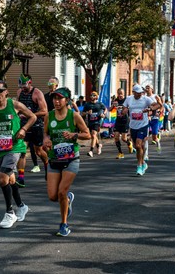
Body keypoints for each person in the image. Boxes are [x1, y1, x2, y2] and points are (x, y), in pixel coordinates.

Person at [0, 80, 35, 228]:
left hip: (15, 147)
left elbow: (33, 117)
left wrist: (23, 129)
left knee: (2, 179)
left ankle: (9, 213)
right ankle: (21, 206)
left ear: (6, 92)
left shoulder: (15, 105)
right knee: (10, 180)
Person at [43, 87, 90, 236]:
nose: (56, 101)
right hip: (54, 158)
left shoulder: (74, 116)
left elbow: (87, 134)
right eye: (54, 99)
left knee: (62, 191)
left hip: (71, 159)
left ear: (67, 100)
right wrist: (46, 140)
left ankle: (64, 224)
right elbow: (45, 134)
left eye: (60, 99)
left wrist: (73, 135)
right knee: (53, 196)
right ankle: (68, 199)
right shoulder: (49, 116)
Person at [16, 74, 49, 187]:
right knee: (22, 152)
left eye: (24, 85)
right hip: (23, 126)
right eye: (21, 85)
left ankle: (47, 164)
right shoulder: (19, 92)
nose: (22, 88)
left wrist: (30, 115)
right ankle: (21, 178)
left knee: (38, 151)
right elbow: (17, 107)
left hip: (36, 125)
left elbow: (44, 111)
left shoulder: (37, 93)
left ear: (30, 82)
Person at [122, 84, 155, 176]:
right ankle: (143, 162)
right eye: (138, 93)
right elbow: (124, 107)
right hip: (133, 125)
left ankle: (139, 166)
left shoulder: (146, 99)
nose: (140, 94)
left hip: (143, 125)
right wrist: (124, 110)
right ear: (134, 92)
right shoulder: (129, 99)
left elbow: (155, 105)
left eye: (141, 93)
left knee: (138, 144)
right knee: (137, 147)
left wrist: (150, 109)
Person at [82, 91, 107, 157]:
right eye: (91, 95)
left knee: (93, 134)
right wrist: (87, 112)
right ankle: (98, 145)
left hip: (97, 122)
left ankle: (91, 151)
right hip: (90, 122)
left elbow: (105, 109)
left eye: (93, 95)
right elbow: (82, 113)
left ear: (96, 97)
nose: (92, 96)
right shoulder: (87, 104)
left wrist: (103, 114)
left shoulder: (99, 104)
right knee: (94, 136)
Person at [112, 88, 134, 159]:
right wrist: (113, 106)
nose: (120, 95)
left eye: (121, 93)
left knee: (124, 139)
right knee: (116, 137)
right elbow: (110, 109)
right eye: (119, 93)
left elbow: (130, 108)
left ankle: (129, 143)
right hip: (118, 121)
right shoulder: (116, 101)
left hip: (125, 121)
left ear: (124, 93)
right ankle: (120, 153)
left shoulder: (127, 100)